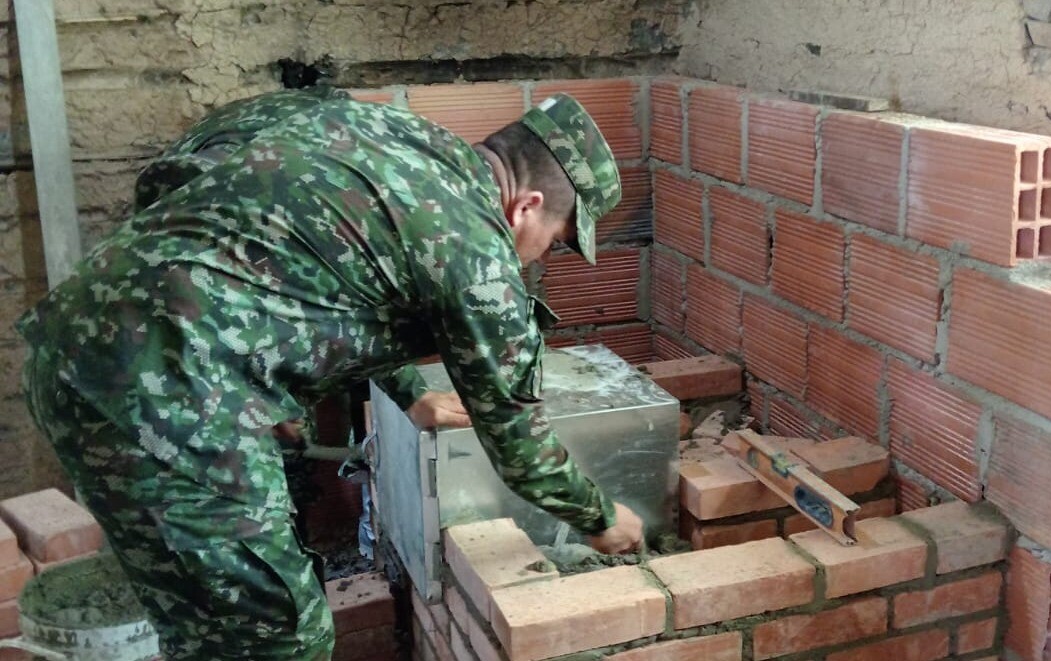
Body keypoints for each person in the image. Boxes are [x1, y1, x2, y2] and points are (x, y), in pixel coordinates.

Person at [17, 87, 645, 660]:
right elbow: (520, 445)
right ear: (527, 206)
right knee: (279, 637)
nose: (539, 260)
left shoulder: (379, 132)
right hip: (164, 399)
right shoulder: (476, 248)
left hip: (75, 350)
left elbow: (175, 180)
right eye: (556, 241)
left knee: (207, 629)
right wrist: (600, 518)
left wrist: (403, 390)